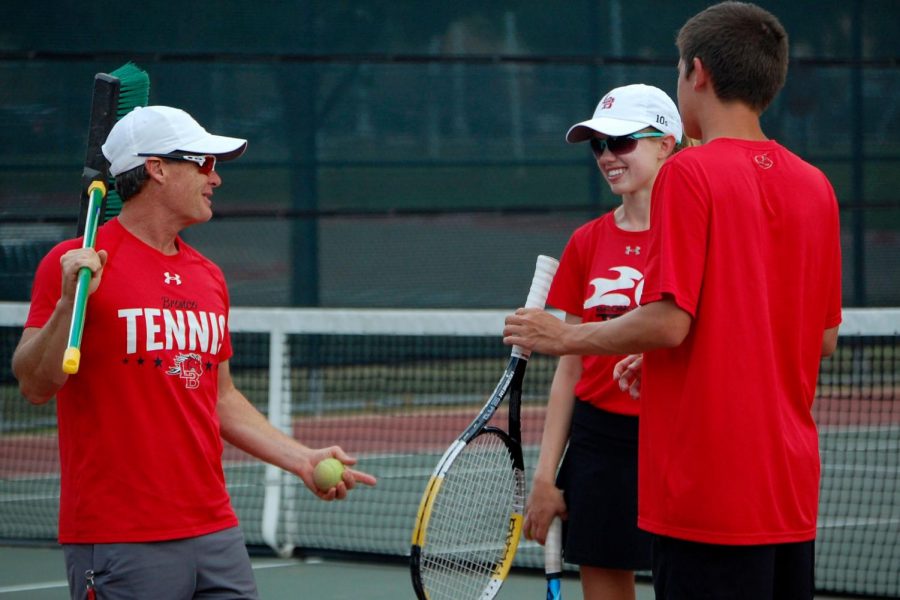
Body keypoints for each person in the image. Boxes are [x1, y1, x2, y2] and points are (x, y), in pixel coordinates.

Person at [503, 3, 842, 599]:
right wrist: (664, 353)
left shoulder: (690, 174)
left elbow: (668, 324)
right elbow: (821, 339)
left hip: (706, 493)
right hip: (789, 490)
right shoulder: (816, 185)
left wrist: (565, 338)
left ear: (698, 73)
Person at [11, 105, 377, 600]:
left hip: (215, 529)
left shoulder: (208, 276)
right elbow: (34, 383)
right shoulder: (74, 263)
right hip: (122, 536)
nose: (216, 178)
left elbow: (220, 397)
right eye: (203, 163)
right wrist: (68, 303)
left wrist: (302, 459)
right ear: (158, 168)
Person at [524, 84, 683, 600]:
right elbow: (569, 366)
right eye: (598, 146)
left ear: (667, 143)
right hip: (599, 446)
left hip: (680, 437)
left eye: (622, 143)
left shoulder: (697, 236)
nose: (608, 157)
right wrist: (546, 476)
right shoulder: (586, 241)